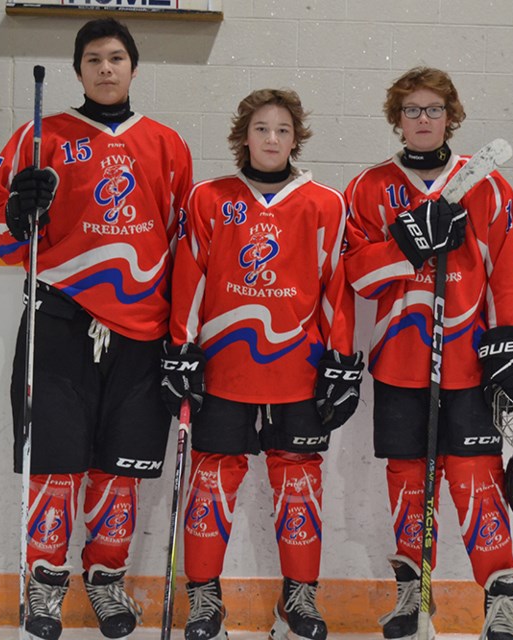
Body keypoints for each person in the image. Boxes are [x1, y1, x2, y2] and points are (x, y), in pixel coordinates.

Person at [0, 18, 193, 640]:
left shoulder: (167, 144)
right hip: (60, 322)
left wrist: (183, 340)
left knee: (118, 468)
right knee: (56, 463)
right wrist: (23, 214)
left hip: (141, 334)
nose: (106, 68)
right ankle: (44, 584)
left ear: (134, 68)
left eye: (117, 58)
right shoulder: (37, 138)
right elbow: (1, 235)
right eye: (94, 59)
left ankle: (106, 579)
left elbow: (186, 246)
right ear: (77, 70)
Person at [342, 67, 513, 640]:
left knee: (478, 479)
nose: (422, 120)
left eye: (433, 110)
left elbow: (509, 267)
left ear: (451, 116)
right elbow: (358, 276)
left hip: (471, 362)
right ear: (396, 119)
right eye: (411, 110)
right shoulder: (369, 187)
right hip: (400, 361)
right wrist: (406, 243)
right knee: (409, 480)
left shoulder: (490, 186)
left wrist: (511, 342)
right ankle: (412, 595)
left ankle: (500, 600)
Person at [160, 88, 363, 640]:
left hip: (298, 370)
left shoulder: (324, 202)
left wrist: (341, 362)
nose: (271, 139)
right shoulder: (208, 198)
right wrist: (181, 349)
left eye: (282, 130)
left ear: (296, 138)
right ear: (242, 136)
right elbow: (190, 279)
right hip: (224, 370)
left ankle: (298, 598)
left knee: (298, 484)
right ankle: (204, 599)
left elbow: (334, 289)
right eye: (260, 129)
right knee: (210, 484)